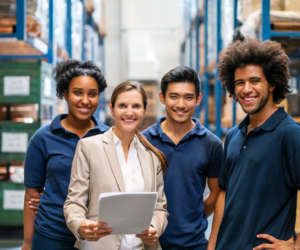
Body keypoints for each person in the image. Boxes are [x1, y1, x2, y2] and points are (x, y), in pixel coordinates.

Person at [207, 38, 300, 250]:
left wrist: (295, 246)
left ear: (273, 83)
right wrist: (212, 244)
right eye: (240, 83)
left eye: (255, 81)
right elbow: (223, 192)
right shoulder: (233, 135)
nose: (246, 89)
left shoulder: (291, 135)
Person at [63, 81, 169, 250]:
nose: (129, 112)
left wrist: (154, 228)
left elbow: (160, 208)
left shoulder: (152, 156)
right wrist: (80, 225)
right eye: (122, 106)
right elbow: (74, 202)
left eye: (136, 106)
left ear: (144, 110)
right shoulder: (89, 147)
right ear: (112, 109)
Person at [22, 60, 109, 250]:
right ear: (65, 94)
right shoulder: (43, 138)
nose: (85, 100)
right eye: (78, 93)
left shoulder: (109, 138)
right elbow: (31, 194)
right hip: (52, 235)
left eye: (92, 94)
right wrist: (28, 243)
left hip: (96, 236)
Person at [142, 66, 223, 250]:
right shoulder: (144, 141)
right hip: (150, 243)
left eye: (188, 97)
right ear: (162, 98)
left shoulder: (212, 144)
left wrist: (195, 216)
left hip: (195, 244)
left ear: (198, 99)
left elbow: (216, 193)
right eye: (174, 96)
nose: (181, 104)